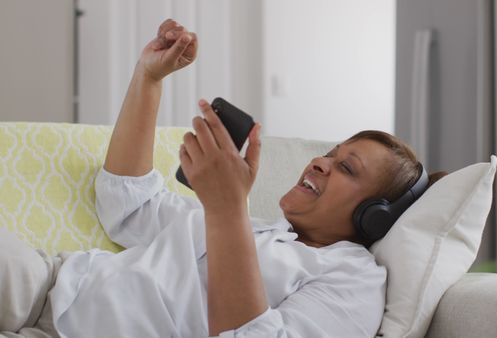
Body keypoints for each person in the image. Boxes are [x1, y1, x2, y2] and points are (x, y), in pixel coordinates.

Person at [0, 19, 441, 338]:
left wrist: (227, 209)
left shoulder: (353, 280)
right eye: (329, 154)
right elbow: (126, 203)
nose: (319, 163)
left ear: (374, 218)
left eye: (345, 168)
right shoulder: (259, 228)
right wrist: (149, 78)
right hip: (47, 285)